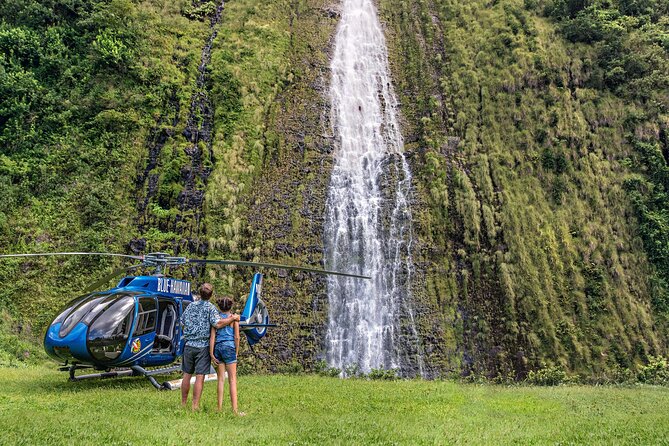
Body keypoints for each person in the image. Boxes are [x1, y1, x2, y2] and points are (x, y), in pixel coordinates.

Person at [180, 283, 239, 411]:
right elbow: (218, 324)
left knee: (187, 375)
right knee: (200, 376)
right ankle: (195, 406)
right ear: (211, 295)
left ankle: (183, 404)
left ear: (200, 294)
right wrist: (233, 318)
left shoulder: (190, 305)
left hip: (189, 344)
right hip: (202, 346)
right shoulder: (211, 308)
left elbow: (182, 321)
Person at [209, 296, 244, 415]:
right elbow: (237, 337)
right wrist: (236, 352)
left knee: (220, 380)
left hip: (218, 347)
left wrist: (211, 353)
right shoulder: (234, 319)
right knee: (232, 380)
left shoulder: (216, 319)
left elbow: (212, 336)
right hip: (229, 347)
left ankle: (219, 408)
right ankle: (235, 410)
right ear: (231, 306)